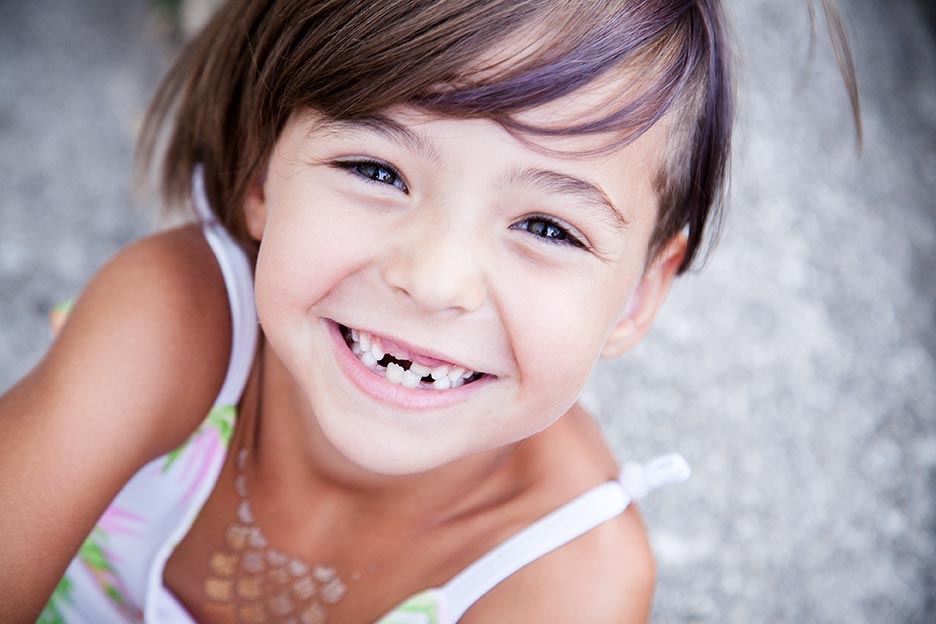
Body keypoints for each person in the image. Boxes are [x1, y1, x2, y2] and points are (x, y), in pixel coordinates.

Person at [0, 0, 857, 622]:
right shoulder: (175, 321)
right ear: (263, 176)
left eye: (546, 226)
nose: (436, 279)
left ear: (637, 295)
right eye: (377, 170)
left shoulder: (567, 580)